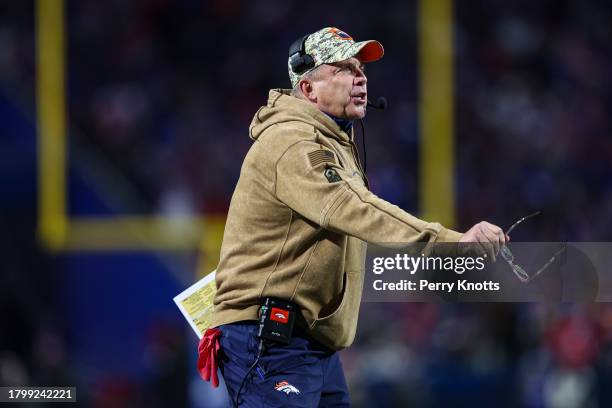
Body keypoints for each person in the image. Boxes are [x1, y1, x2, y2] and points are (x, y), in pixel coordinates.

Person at [200, 27, 507, 407]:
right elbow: (354, 207)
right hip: (269, 338)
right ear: (309, 88)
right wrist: (448, 241)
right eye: (343, 69)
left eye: (361, 68)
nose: (360, 77)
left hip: (307, 342)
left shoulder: (329, 140)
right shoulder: (292, 141)